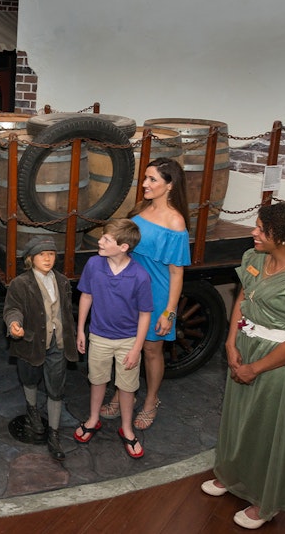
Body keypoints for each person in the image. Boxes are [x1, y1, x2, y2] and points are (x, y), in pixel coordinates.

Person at [201, 202, 285, 530]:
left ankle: (264, 502)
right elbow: (242, 299)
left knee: (267, 430)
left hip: (277, 362)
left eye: (260, 229)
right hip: (244, 347)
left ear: (282, 237)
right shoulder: (254, 258)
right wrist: (230, 342)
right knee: (237, 418)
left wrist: (255, 369)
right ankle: (231, 476)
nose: (253, 233)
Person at [100, 157, 191, 429]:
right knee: (127, 346)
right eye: (146, 178)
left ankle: (151, 400)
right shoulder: (141, 209)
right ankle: (122, 392)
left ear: (170, 185)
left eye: (152, 180)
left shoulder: (175, 222)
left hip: (157, 294)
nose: (145, 184)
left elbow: (177, 273)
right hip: (129, 290)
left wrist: (169, 312)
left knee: (152, 350)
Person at [73, 219, 153, 458]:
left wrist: (137, 348)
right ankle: (93, 418)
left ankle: (127, 429)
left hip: (128, 340)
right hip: (98, 335)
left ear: (123, 246)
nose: (100, 241)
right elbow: (86, 297)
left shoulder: (140, 276)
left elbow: (145, 314)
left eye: (106, 239)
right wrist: (80, 330)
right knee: (97, 379)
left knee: (127, 387)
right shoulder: (93, 264)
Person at [3, 235, 77, 460]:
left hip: (58, 343)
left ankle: (54, 434)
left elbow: (65, 312)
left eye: (51, 254)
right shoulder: (20, 283)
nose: (47, 259)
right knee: (29, 378)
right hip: (31, 342)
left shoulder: (63, 281)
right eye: (42, 255)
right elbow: (12, 308)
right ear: (30, 259)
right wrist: (14, 323)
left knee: (56, 388)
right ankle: (33, 412)